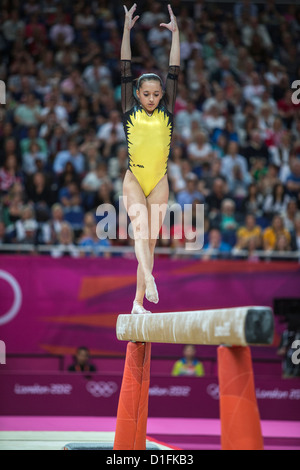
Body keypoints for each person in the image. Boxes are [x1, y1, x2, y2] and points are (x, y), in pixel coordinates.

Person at [120, 4, 180, 315]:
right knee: (141, 231)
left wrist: (176, 34)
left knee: (151, 243)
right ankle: (150, 279)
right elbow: (125, 66)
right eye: (147, 94)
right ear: (138, 94)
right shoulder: (129, 108)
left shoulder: (167, 113)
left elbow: (174, 71)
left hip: (159, 181)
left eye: (157, 94)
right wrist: (127, 30)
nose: (152, 99)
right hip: (134, 178)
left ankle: (137, 303)